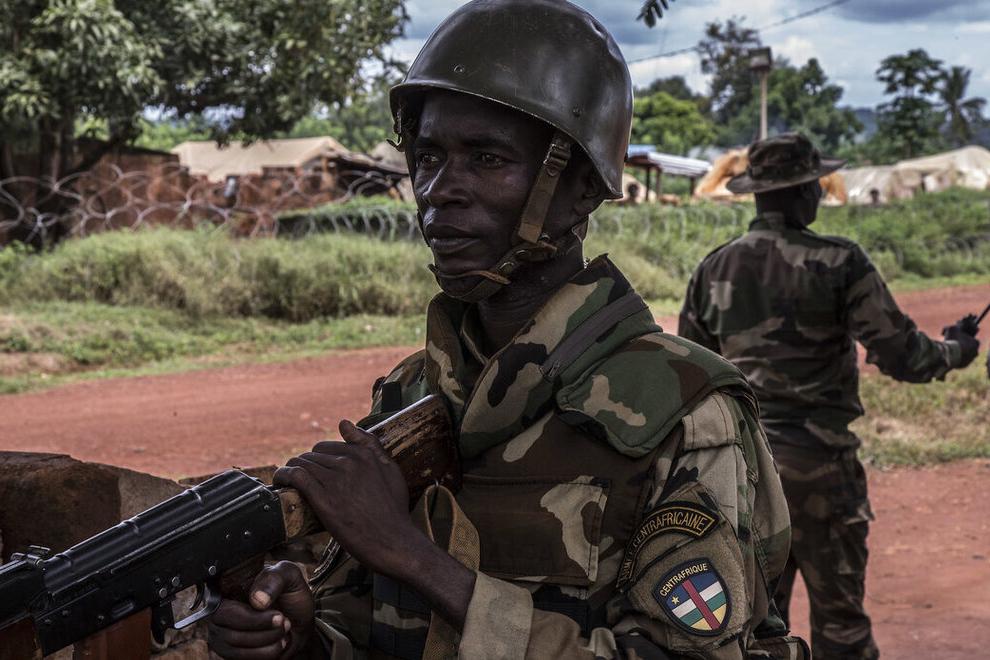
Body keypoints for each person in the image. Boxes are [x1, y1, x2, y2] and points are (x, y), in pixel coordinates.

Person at [208, 2, 804, 658]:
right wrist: (303, 642)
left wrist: (411, 556)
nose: (441, 189)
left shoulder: (681, 411)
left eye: (487, 159)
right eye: (428, 156)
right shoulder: (413, 393)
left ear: (583, 187)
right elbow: (375, 628)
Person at [678, 133, 981, 660]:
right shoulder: (840, 262)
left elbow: (693, 377)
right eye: (815, 184)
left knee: (753, 632)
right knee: (840, 623)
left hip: (744, 477)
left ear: (758, 193)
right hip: (822, 469)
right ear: (804, 192)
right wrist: (957, 349)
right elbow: (904, 355)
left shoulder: (714, 268)